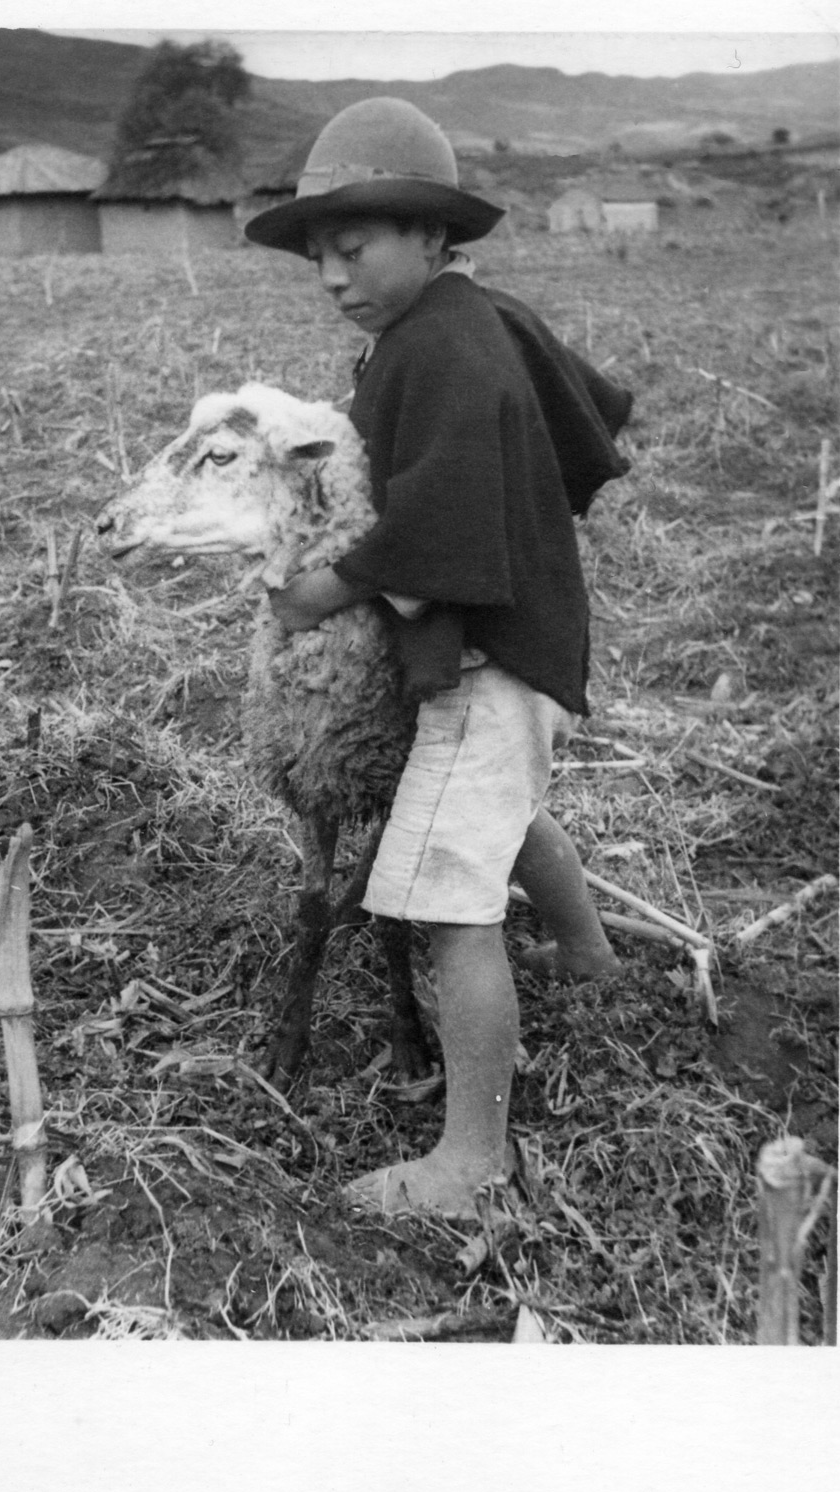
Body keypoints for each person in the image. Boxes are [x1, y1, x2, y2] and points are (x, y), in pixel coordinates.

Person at [244, 98, 632, 1219]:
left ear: (426, 235)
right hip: (527, 640)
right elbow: (583, 411)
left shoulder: (440, 350)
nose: (330, 275)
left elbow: (441, 519)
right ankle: (589, 956)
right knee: (503, 814)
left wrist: (322, 586)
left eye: (352, 249)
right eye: (318, 255)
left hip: (487, 655)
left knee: (446, 898)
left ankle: (472, 1161)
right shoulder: (475, 319)